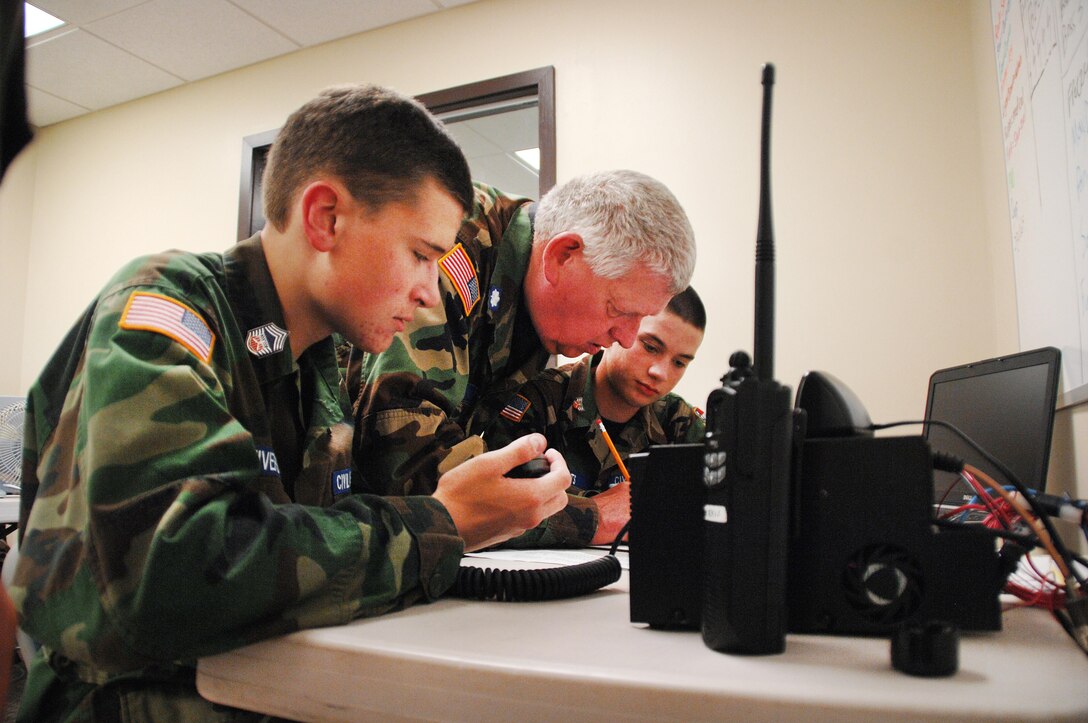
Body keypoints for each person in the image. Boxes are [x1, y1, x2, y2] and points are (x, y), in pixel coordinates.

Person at [9, 83, 571, 721]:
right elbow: (171, 573)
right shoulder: (168, 308)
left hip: (257, 678)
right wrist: (439, 523)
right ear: (325, 218)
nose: (426, 295)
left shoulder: (317, 362)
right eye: (420, 256)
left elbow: (303, 548)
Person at [351, 170, 697, 547]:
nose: (626, 338)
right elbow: (405, 457)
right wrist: (592, 519)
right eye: (618, 310)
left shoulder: (542, 316)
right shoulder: (452, 247)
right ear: (563, 256)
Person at [483, 287, 706, 545]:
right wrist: (595, 517)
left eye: (679, 363)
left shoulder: (680, 424)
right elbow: (490, 513)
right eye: (651, 347)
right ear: (621, 329)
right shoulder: (541, 400)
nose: (660, 372)